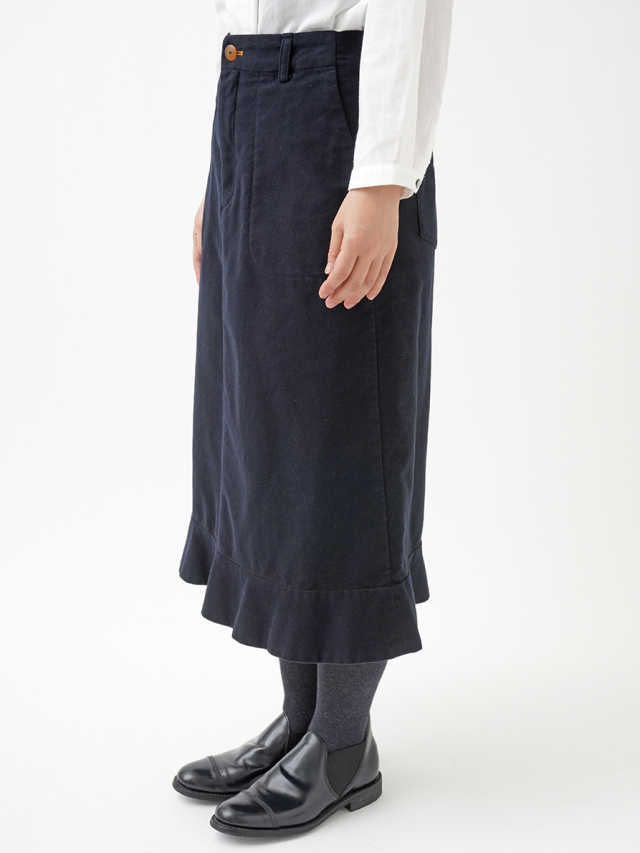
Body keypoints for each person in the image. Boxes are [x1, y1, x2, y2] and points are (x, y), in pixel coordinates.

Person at [172, 0, 454, 838]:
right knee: (271, 435)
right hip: (249, 96)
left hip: (342, 104)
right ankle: (301, 723)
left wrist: (380, 177)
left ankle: (341, 743)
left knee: (342, 431)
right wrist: (221, 175)